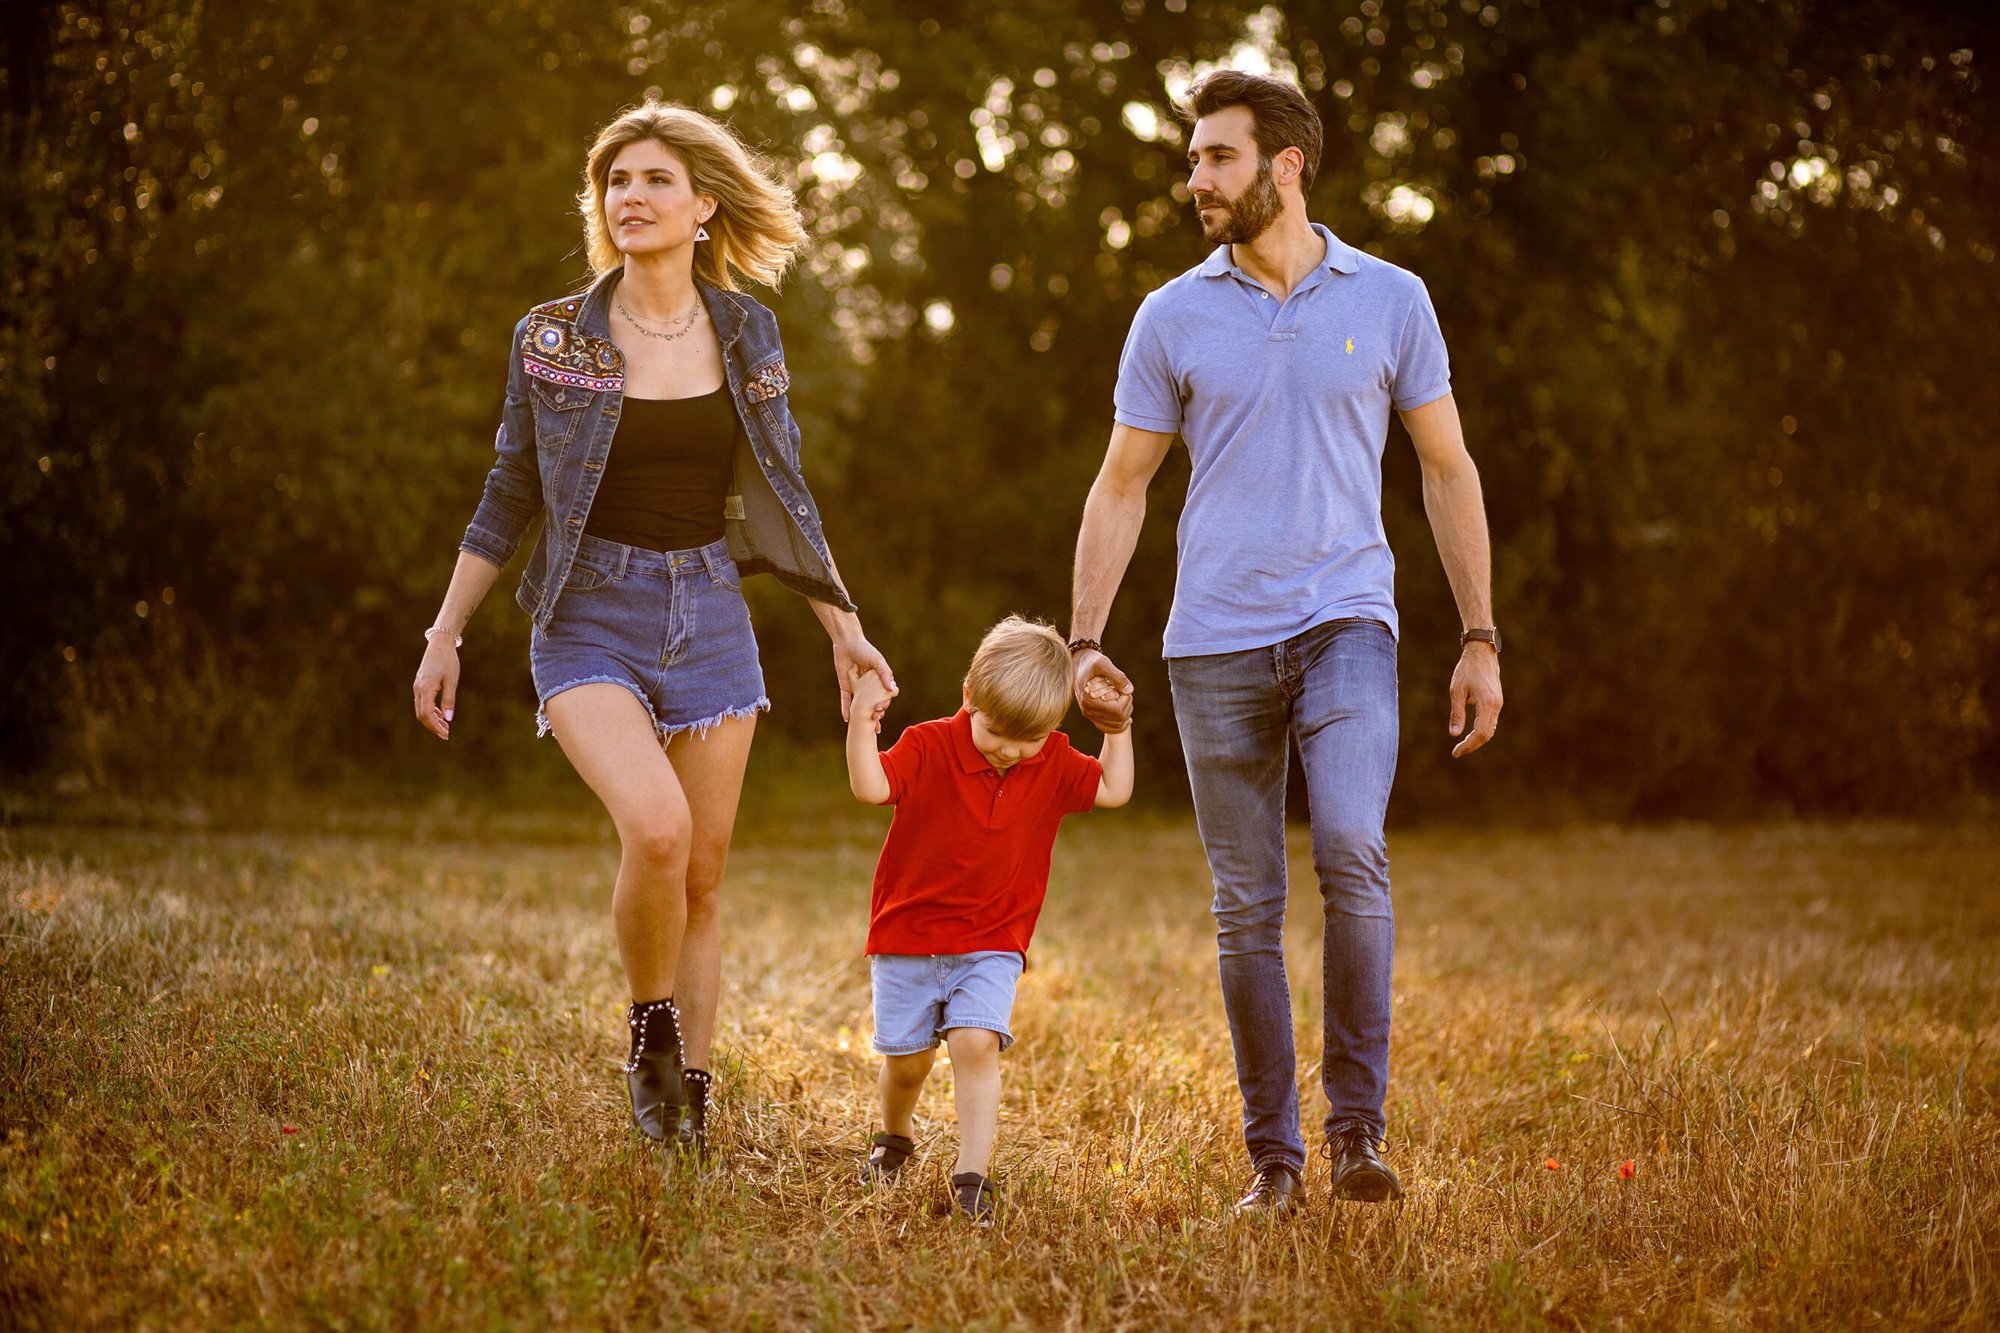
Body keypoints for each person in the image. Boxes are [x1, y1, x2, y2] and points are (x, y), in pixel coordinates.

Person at [411, 101, 895, 1154]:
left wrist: (840, 629)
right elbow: (509, 489)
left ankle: (693, 1107)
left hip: (712, 612)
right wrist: (445, 631)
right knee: (658, 830)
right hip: (587, 611)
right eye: (614, 182)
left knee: (706, 877)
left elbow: (782, 484)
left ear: (702, 206)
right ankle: (649, 1033)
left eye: (652, 181)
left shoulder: (746, 330)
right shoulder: (553, 337)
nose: (628, 198)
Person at [1068, 71, 1505, 1214]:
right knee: (1243, 904)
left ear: (1286, 166)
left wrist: (1478, 634)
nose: (1194, 177)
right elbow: (1121, 486)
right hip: (1209, 642)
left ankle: (1355, 1133)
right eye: (1193, 156)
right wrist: (1080, 640)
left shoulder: (1393, 298)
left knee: (1351, 851)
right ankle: (1274, 1160)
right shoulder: (1170, 315)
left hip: (1346, 621)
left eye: (1216, 156)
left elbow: (1445, 467)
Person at [843, 617, 1134, 1221]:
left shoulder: (1051, 759)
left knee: (977, 1043)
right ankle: (894, 1135)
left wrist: (1118, 728)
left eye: (1028, 738)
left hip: (994, 940)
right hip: (907, 938)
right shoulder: (928, 745)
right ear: (969, 698)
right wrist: (862, 724)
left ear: (1053, 728)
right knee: (908, 1064)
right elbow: (871, 788)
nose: (1009, 749)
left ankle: (972, 1178)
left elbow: (1112, 789)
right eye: (997, 731)